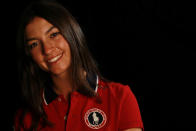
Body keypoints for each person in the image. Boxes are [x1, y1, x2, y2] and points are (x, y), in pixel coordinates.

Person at [14, 1, 144, 131]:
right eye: (34, 44)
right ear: (29, 54)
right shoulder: (26, 117)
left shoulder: (119, 97)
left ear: (71, 32)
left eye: (53, 35)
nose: (47, 49)